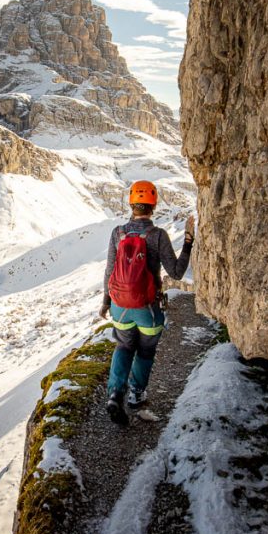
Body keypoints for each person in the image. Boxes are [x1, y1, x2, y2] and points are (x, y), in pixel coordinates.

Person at [99, 180, 195, 425]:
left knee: (123, 346)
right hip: (147, 309)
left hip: (120, 308)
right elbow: (176, 272)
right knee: (145, 351)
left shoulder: (117, 233)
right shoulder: (157, 235)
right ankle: (136, 398)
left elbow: (110, 271)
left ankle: (114, 393)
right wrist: (188, 242)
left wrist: (105, 303)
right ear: (153, 206)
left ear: (131, 203)